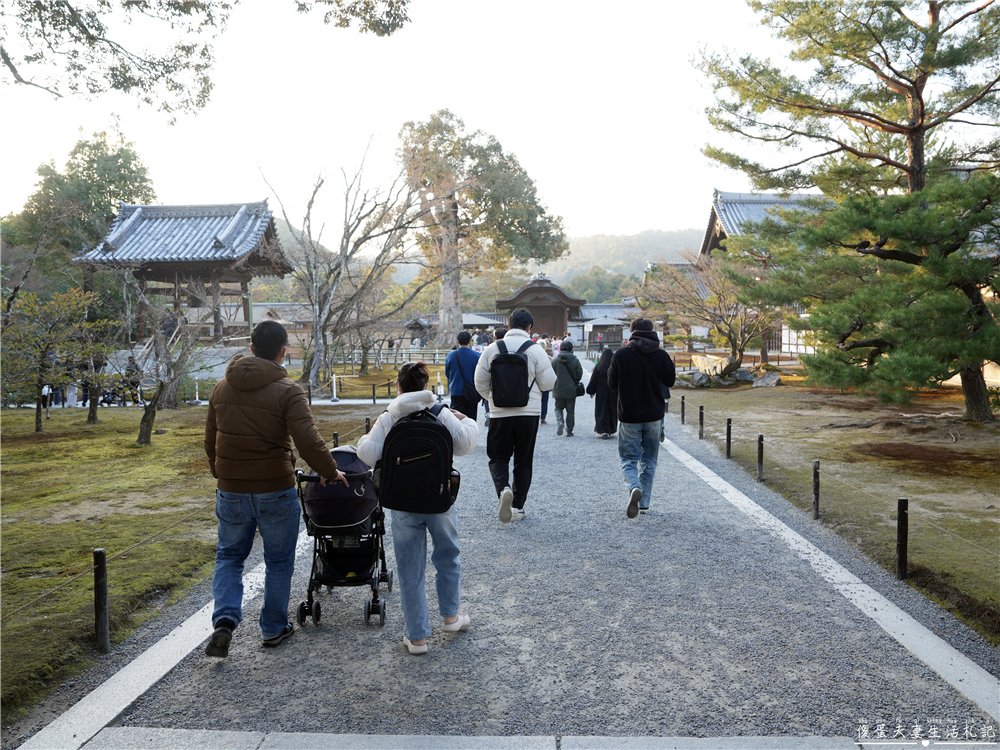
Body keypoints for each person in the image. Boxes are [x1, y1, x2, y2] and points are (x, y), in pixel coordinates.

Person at [203, 320, 347, 658]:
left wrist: (221, 473)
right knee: (279, 560)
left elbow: (210, 440)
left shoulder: (221, 387)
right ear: (284, 352)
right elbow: (308, 441)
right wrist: (330, 471)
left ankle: (224, 620)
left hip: (231, 488)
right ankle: (272, 628)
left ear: (252, 349)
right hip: (274, 487)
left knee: (229, 556)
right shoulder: (288, 391)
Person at [356, 362, 479, 655]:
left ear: (398, 386)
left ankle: (417, 637)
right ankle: (450, 618)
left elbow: (366, 454)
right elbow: (465, 443)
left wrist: (364, 437)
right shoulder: (439, 412)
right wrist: (468, 420)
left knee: (411, 567)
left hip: (403, 502)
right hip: (439, 499)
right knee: (448, 556)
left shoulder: (390, 416)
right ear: (426, 386)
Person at [474, 309, 556, 523]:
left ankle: (503, 490)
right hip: (528, 414)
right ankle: (518, 506)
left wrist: (493, 399)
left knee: (498, 456)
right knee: (523, 459)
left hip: (499, 413)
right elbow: (549, 383)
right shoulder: (536, 350)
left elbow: (480, 382)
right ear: (529, 327)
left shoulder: (492, 349)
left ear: (508, 326)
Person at [608, 319, 676, 518]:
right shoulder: (662, 355)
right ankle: (644, 502)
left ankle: (633, 488)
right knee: (649, 460)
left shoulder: (621, 355)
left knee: (628, 459)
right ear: (652, 332)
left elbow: (612, 383)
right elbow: (670, 381)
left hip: (629, 415)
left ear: (632, 332)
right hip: (654, 415)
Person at [444, 331, 481, 420]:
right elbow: (480, 375)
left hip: (456, 390)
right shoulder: (477, 355)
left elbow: (447, 373)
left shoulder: (451, 355)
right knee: (471, 419)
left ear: (458, 342)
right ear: (469, 341)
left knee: (456, 420)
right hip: (472, 392)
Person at [550, 339, 583, 437]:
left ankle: (560, 422)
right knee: (570, 410)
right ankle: (569, 430)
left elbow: (550, 374)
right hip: (571, 389)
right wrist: (575, 381)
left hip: (558, 388)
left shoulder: (555, 360)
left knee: (558, 407)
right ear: (571, 349)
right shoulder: (575, 360)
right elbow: (579, 373)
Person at [587, 347, 618, 439]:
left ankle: (602, 429)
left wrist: (591, 391)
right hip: (613, 393)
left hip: (601, 393)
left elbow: (593, 381)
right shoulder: (616, 367)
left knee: (601, 410)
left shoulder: (599, 368)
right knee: (612, 410)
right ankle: (610, 429)